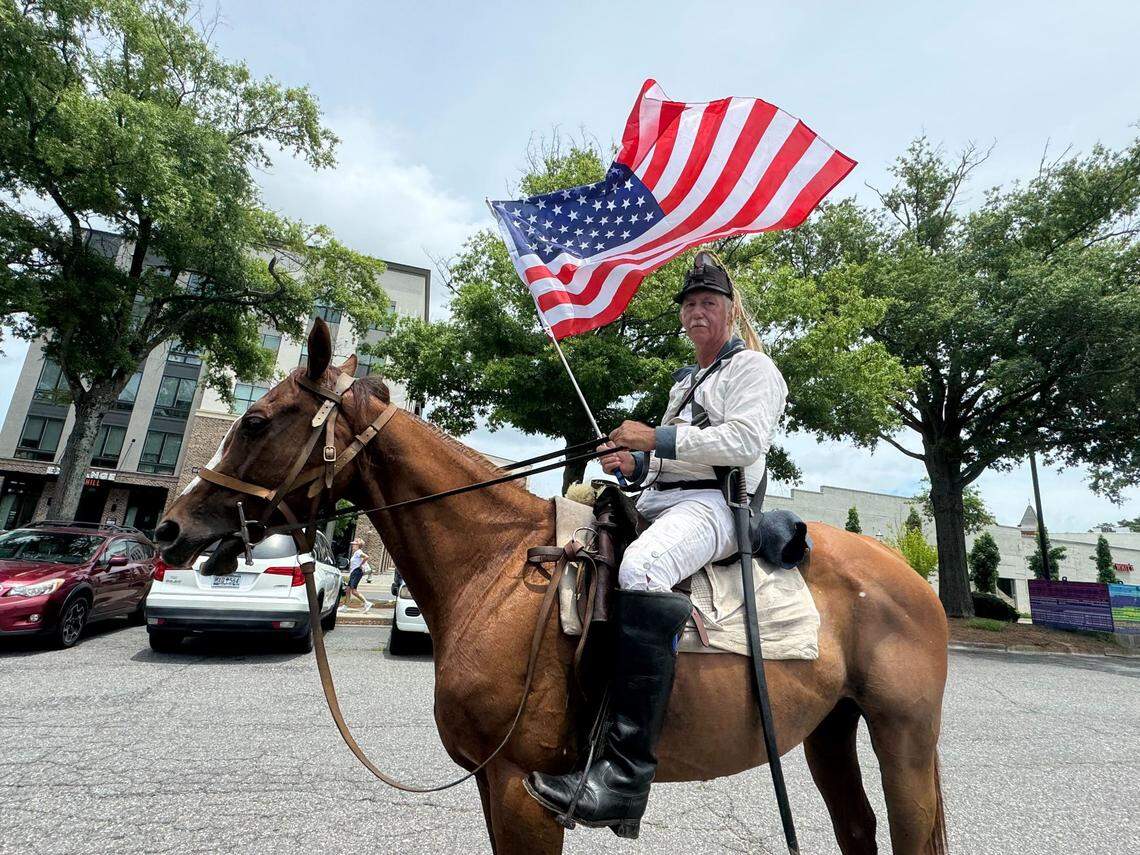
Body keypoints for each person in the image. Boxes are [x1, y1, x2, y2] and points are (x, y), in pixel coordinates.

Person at [525, 251, 788, 836]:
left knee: (641, 567)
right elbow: (662, 466)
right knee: (574, 544)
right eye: (691, 304)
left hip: (720, 505)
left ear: (729, 311)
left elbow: (744, 442)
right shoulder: (684, 380)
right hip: (661, 500)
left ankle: (623, 777)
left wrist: (658, 437)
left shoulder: (755, 371)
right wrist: (633, 461)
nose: (698, 311)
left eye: (708, 304)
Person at [340, 537, 372, 612]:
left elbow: (366, 557)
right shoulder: (356, 553)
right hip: (354, 572)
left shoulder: (358, 552)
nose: (353, 545)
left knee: (353, 591)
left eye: (354, 544)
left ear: (358, 545)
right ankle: (345, 607)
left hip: (357, 572)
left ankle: (366, 603)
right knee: (348, 590)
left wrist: (361, 565)